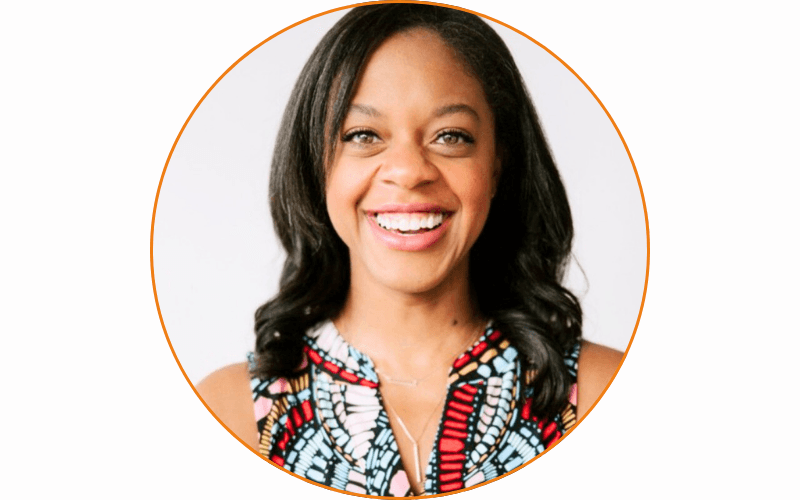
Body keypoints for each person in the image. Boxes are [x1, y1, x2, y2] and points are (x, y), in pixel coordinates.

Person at [198, 4, 623, 496]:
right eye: (363, 135)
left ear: (500, 163)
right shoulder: (228, 415)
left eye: (451, 136)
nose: (408, 170)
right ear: (316, 166)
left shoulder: (603, 392)